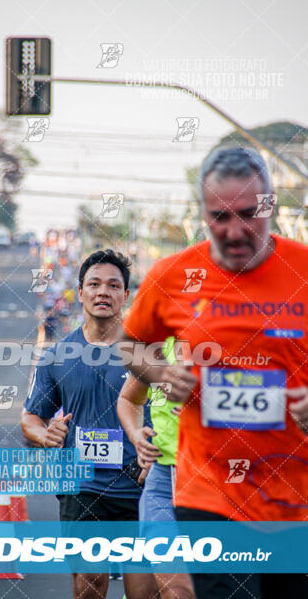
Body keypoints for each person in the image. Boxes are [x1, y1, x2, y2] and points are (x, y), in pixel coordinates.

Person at [120, 147, 308, 598]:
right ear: (202, 212)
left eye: (248, 214)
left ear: (270, 207)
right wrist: (160, 371)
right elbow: (130, 346)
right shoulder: (173, 275)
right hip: (209, 495)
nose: (234, 230)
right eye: (219, 215)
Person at [21, 249, 159, 599]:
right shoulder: (57, 355)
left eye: (113, 286)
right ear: (80, 292)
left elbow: (174, 413)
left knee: (144, 591)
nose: (103, 292)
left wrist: (157, 450)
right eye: (94, 284)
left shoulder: (147, 354)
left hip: (139, 486)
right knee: (89, 584)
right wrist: (45, 434)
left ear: (125, 296)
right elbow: (30, 418)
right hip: (81, 486)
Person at [117, 337, 195, 599]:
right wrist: (136, 434)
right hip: (163, 480)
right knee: (177, 589)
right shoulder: (160, 349)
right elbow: (129, 399)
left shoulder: (234, 346)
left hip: (219, 483)